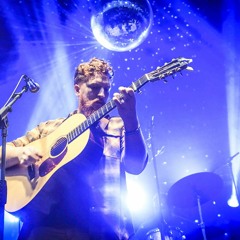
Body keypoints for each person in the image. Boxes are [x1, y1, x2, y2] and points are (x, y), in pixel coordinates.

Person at [2, 57, 148, 240]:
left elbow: (136, 166)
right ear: (77, 89)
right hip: (42, 227)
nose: (102, 95)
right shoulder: (50, 128)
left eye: (107, 89)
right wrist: (19, 153)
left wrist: (131, 119)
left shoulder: (119, 126)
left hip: (100, 230)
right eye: (94, 88)